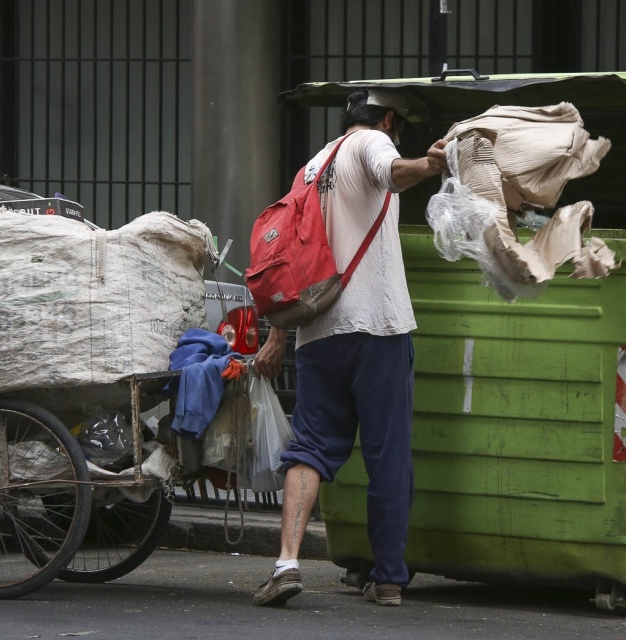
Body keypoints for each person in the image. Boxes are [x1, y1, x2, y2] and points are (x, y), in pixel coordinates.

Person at [251, 89, 447, 608]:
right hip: (377, 329)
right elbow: (394, 172)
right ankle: (387, 578)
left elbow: (288, 262)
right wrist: (428, 163)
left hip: (317, 334)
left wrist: (278, 333)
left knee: (310, 448)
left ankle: (286, 562)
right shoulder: (373, 143)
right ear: (387, 120)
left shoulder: (311, 168)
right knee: (387, 457)